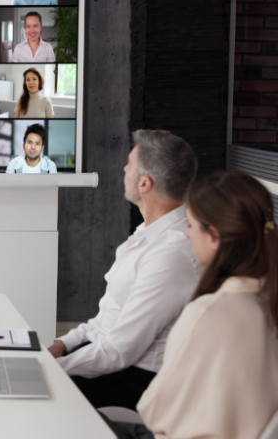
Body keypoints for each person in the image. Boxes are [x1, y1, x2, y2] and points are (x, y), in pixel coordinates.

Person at [113, 170, 278, 439]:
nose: (187, 234)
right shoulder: (266, 299)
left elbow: (156, 412)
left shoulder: (209, 313)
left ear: (214, 236)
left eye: (191, 225)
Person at [46, 130, 203, 411]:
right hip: (107, 357)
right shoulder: (149, 233)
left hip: (134, 380)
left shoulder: (171, 254)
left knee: (30, 395)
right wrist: (63, 345)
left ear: (144, 183)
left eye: (130, 164)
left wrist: (51, 368)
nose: (124, 169)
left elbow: (120, 351)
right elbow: (108, 317)